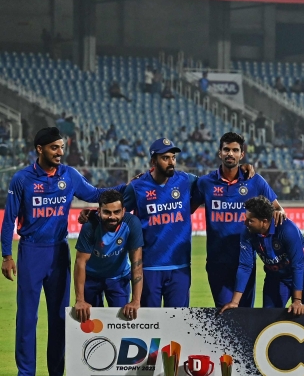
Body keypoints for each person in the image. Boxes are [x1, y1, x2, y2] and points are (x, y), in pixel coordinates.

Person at [2, 127, 118, 376]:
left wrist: (129, 188)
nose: (60, 152)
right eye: (54, 147)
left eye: (62, 147)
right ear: (40, 149)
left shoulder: (70, 175)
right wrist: (7, 256)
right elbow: (9, 219)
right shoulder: (22, 179)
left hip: (59, 251)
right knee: (27, 318)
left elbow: (96, 194)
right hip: (31, 251)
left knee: (58, 318)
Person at [194, 133, 283, 308]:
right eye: (226, 149)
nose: (230, 154)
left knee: (245, 315)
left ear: (242, 155)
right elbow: (185, 206)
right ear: (219, 153)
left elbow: (277, 208)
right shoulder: (205, 183)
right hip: (217, 260)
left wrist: (279, 215)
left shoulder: (255, 181)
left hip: (246, 261)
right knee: (224, 313)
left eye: (235, 150)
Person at [120, 139, 205, 308]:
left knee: (177, 324)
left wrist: (241, 170)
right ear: (153, 161)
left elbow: (214, 183)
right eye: (165, 158)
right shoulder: (137, 187)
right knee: (150, 325)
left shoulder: (186, 181)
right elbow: (117, 212)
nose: (171, 162)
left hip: (180, 266)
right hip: (149, 267)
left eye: (173, 157)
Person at [222, 197, 304, 313]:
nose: (245, 223)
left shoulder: (287, 229)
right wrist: (235, 302)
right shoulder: (248, 233)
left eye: (251, 220)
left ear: (264, 222)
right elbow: (245, 266)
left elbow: (298, 265)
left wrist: (297, 300)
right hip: (276, 276)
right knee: (268, 315)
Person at [72, 190, 143, 322]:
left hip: (118, 279)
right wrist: (80, 300)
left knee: (120, 323)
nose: (112, 217)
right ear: (99, 211)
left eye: (116, 212)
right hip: (91, 278)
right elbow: (80, 262)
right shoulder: (90, 226)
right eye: (107, 212)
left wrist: (136, 300)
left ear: (123, 211)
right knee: (90, 323)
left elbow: (137, 262)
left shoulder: (132, 224)